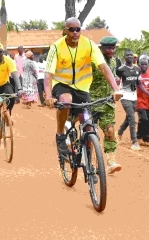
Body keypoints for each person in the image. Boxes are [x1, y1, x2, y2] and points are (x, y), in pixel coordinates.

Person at [44, 17, 122, 158]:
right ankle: (60, 134)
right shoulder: (56, 47)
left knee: (88, 125)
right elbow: (48, 74)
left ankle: (87, 160)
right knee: (66, 100)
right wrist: (49, 96)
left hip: (82, 88)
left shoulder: (89, 45)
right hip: (62, 84)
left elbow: (103, 67)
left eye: (78, 29)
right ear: (65, 30)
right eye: (71, 29)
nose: (75, 32)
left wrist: (116, 89)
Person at [90, 36, 122, 174]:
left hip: (107, 102)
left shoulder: (114, 60)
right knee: (89, 132)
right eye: (108, 48)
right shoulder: (93, 60)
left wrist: (116, 82)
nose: (111, 50)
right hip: (90, 101)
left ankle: (111, 161)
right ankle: (85, 158)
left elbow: (112, 76)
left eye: (113, 48)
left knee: (109, 131)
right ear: (101, 48)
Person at [117, 50, 142, 150]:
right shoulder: (120, 69)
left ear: (134, 57)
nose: (129, 56)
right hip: (124, 96)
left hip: (134, 97)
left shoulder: (137, 69)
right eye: (127, 55)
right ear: (124, 57)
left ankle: (119, 132)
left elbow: (138, 83)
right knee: (132, 118)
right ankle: (134, 142)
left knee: (128, 118)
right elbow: (117, 82)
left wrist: (148, 93)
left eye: (131, 55)